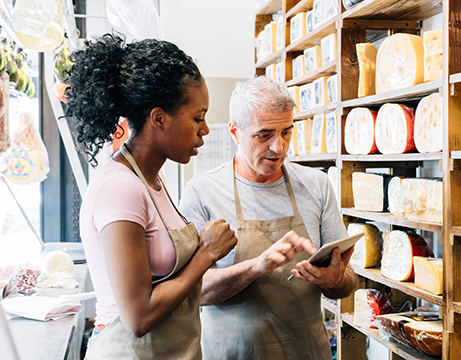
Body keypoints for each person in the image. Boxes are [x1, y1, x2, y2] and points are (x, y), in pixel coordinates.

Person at [64, 33, 237, 360]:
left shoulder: (152, 180)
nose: (205, 129)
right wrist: (205, 255)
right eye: (197, 118)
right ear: (159, 118)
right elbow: (138, 316)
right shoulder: (120, 188)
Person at [179, 76, 359, 360]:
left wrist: (332, 279)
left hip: (305, 352)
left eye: (286, 132)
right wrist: (255, 267)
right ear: (235, 132)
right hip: (231, 354)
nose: (279, 147)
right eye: (264, 135)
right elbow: (191, 294)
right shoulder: (202, 191)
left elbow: (347, 283)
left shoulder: (317, 185)